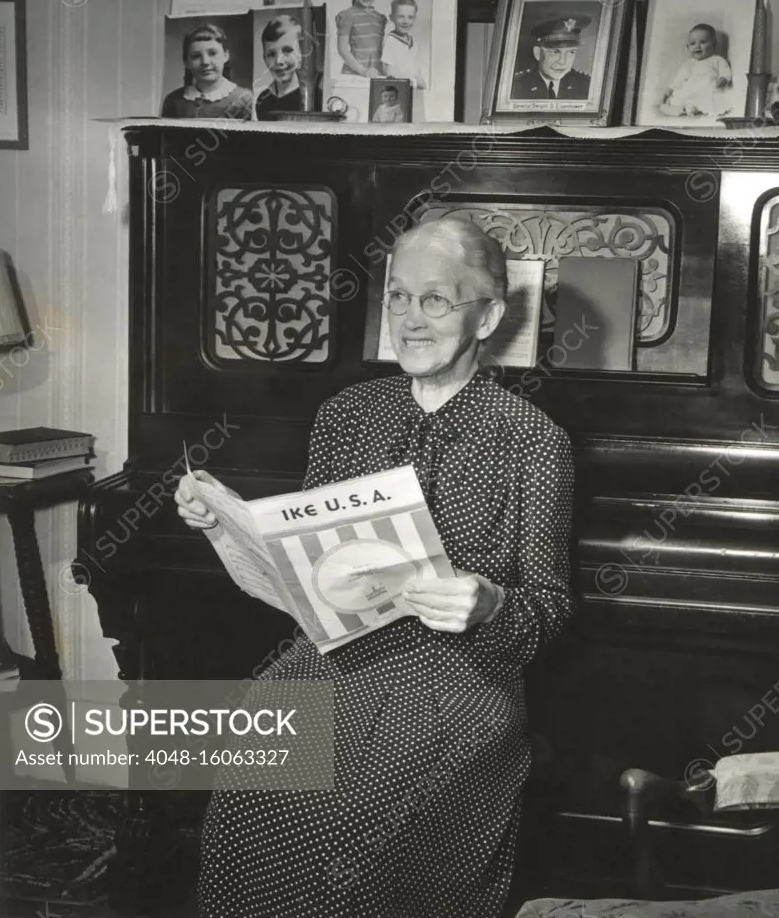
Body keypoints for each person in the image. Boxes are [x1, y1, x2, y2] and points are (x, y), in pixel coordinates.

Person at [176, 218, 575, 918]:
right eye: (396, 298)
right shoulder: (345, 414)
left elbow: (547, 606)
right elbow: (308, 569)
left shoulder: (532, 440)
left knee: (358, 817)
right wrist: (225, 526)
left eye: (436, 301)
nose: (409, 320)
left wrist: (488, 607)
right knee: (249, 788)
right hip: (331, 658)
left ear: (487, 316)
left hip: (455, 680)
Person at [161, 23, 253, 120]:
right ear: (187, 62)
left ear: (226, 56)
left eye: (212, 53)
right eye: (196, 56)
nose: (205, 62)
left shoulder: (244, 99)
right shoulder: (173, 101)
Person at [659, 23, 733, 118]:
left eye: (703, 42)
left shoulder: (717, 60)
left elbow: (726, 72)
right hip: (690, 91)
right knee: (676, 98)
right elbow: (679, 79)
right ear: (688, 47)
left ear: (713, 44)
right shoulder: (688, 64)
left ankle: (692, 109)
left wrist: (724, 79)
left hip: (707, 90)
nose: (698, 46)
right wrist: (670, 90)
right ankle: (681, 109)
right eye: (693, 43)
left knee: (713, 99)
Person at [511, 15, 592, 101]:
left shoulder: (586, 85)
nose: (562, 61)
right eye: (555, 52)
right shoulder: (516, 86)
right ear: (537, 53)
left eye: (571, 52)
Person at [336, 0, 387, 78]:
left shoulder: (381, 19)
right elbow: (342, 50)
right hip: (354, 74)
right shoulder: (347, 15)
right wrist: (363, 71)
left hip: (376, 75)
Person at [255, 14, 304, 120]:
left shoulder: (310, 95)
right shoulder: (263, 101)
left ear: (300, 53)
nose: (278, 61)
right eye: (271, 54)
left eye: (287, 51)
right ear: (264, 59)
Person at [381, 0, 427, 89]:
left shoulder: (414, 41)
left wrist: (419, 79)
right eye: (401, 17)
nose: (405, 21)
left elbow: (415, 66)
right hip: (398, 87)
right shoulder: (391, 40)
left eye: (410, 17)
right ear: (392, 18)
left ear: (414, 19)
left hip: (413, 86)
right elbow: (387, 69)